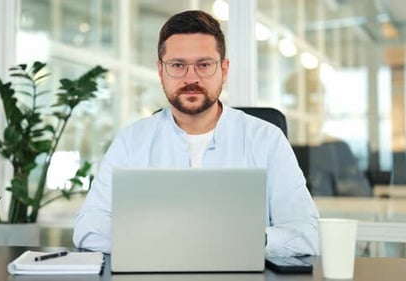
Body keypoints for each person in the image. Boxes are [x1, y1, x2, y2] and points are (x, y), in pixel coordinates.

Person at [73, 10, 319, 257]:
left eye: (204, 65)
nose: (191, 78)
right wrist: (178, 240)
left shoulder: (267, 139)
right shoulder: (131, 141)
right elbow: (88, 229)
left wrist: (250, 238)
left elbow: (308, 234)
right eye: (177, 65)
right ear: (161, 71)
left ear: (224, 69)